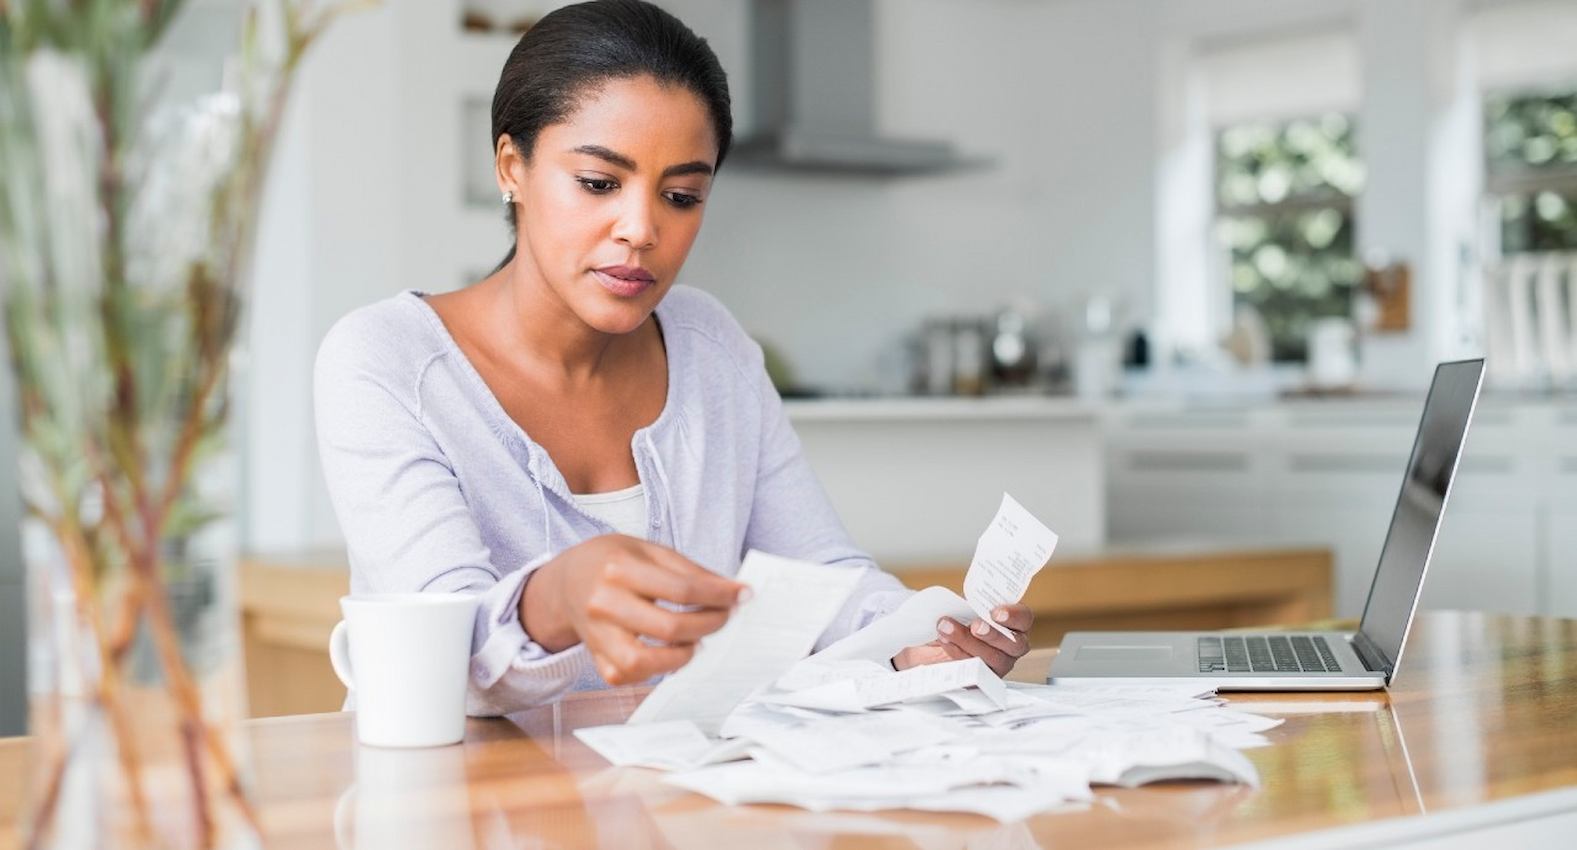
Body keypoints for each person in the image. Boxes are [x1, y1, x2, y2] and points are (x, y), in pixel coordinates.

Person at [313, 0, 1032, 715]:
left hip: (673, 800)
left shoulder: (708, 344)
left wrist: (921, 641)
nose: (641, 229)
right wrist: (554, 597)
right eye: (598, 184)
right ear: (512, 167)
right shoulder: (386, 361)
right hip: (464, 806)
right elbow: (439, 655)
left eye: (682, 195)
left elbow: (824, 573)